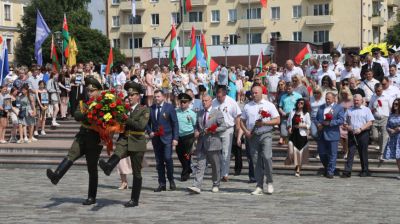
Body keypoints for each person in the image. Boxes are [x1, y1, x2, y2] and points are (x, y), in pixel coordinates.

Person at [46, 77, 104, 205]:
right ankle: (56, 176)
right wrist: (89, 114)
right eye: (88, 91)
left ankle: (91, 196)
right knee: (71, 154)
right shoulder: (83, 103)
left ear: (98, 91)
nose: (89, 93)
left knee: (92, 168)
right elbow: (77, 115)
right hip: (82, 136)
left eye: (92, 91)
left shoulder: (104, 105)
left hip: (95, 139)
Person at [99, 81, 149, 207]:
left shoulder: (144, 109)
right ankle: (108, 167)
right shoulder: (124, 109)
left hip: (137, 141)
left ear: (138, 96)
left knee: (137, 172)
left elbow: (141, 126)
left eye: (133, 95)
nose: (130, 97)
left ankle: (134, 199)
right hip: (124, 139)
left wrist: (127, 119)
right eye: (129, 94)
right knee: (118, 152)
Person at [241, 85, 280, 195]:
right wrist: (246, 132)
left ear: (261, 93)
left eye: (256, 93)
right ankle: (259, 185)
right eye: (252, 93)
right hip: (253, 136)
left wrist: (264, 123)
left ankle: (270, 181)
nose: (254, 95)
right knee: (256, 160)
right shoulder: (248, 106)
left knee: (267, 157)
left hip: (265, 133)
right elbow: (242, 121)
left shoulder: (269, 105)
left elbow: (277, 120)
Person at [187, 95, 226, 194]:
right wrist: (196, 131)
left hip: (213, 142)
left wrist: (213, 130)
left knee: (215, 165)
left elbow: (223, 126)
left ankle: (216, 183)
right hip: (201, 143)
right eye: (202, 101)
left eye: (206, 101)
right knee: (200, 164)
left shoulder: (217, 113)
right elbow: (196, 125)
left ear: (211, 101)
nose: (204, 102)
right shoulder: (199, 113)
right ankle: (196, 185)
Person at [147, 90, 179, 192]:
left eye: (158, 96)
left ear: (163, 97)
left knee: (168, 158)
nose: (156, 98)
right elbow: (147, 123)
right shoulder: (151, 108)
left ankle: (171, 179)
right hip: (156, 139)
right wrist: (149, 131)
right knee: (159, 161)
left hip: (167, 137)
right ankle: (162, 183)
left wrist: (175, 138)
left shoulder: (169, 107)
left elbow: (175, 123)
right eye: (155, 97)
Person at [212, 85, 242, 182]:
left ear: (225, 95)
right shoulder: (213, 102)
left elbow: (237, 116)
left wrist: (237, 129)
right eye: (217, 96)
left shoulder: (231, 102)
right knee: (216, 152)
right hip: (216, 130)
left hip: (228, 129)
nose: (218, 98)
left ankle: (224, 173)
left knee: (226, 153)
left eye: (220, 97)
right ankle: (218, 171)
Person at [341, 94, 374, 177]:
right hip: (352, 133)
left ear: (361, 101)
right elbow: (345, 123)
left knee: (363, 152)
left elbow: (370, 122)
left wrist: (361, 129)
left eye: (357, 100)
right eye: (354, 100)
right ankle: (347, 171)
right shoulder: (349, 110)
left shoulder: (366, 110)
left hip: (363, 133)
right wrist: (347, 127)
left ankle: (365, 170)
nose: (356, 102)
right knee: (351, 152)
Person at [316, 92, 345, 178]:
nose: (327, 100)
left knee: (332, 154)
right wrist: (318, 124)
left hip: (333, 134)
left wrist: (330, 123)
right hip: (322, 134)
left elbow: (341, 120)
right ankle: (327, 167)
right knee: (321, 153)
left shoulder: (338, 107)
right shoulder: (321, 107)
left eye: (329, 98)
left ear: (333, 98)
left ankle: (330, 171)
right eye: (326, 98)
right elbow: (316, 118)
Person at [286, 98, 311, 176]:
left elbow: (308, 125)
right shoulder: (292, 112)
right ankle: (293, 162)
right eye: (299, 102)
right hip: (293, 134)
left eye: (302, 103)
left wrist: (302, 125)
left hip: (302, 135)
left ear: (304, 105)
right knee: (291, 152)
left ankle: (298, 169)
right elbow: (288, 122)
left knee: (299, 153)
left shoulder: (306, 114)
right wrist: (289, 127)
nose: (300, 104)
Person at [175, 93, 197, 181]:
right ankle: (188, 168)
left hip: (189, 136)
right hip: (179, 136)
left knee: (187, 155)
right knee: (179, 154)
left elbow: (195, 125)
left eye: (185, 102)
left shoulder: (192, 113)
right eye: (181, 102)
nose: (183, 104)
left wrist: (196, 136)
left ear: (188, 103)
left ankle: (185, 173)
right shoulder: (176, 111)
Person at [369, 83, 392, 161]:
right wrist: (372, 110)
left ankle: (381, 154)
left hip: (385, 118)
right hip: (375, 118)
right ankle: (382, 145)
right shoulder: (373, 96)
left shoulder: (387, 96)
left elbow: (391, 107)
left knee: (384, 136)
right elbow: (369, 108)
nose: (377, 92)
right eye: (376, 91)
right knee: (374, 136)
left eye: (379, 91)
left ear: (382, 89)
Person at [383, 98, 400, 179]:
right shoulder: (391, 114)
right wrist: (390, 130)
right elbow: (387, 126)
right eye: (394, 104)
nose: (395, 105)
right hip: (394, 137)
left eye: (397, 104)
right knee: (397, 157)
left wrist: (398, 129)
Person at [338, 87, 353, 159]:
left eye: (345, 93)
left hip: (349, 120)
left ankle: (346, 151)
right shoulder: (340, 100)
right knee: (341, 136)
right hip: (341, 120)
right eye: (342, 93)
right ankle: (344, 149)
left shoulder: (352, 100)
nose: (344, 95)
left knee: (347, 137)